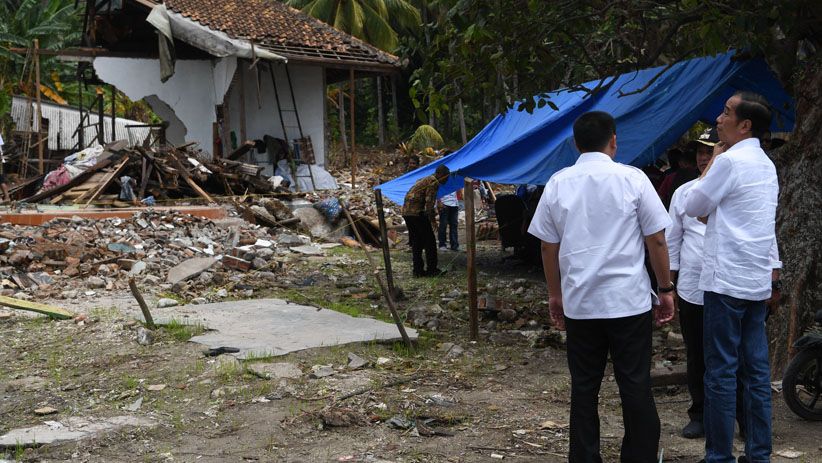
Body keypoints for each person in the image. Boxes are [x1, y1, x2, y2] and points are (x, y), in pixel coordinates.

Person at [528, 111, 675, 463]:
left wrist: (555, 295)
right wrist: (666, 287)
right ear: (613, 140)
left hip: (581, 303)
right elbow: (656, 239)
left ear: (576, 144)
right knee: (635, 385)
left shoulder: (559, 183)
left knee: (584, 387)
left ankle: (584, 458)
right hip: (628, 301)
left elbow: (548, 246)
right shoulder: (633, 179)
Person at [684, 91, 781, 463]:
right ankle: (759, 454)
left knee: (721, 372)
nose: (718, 119)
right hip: (755, 279)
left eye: (726, 113)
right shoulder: (766, 165)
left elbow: (694, 206)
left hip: (725, 279)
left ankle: (719, 456)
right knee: (755, 372)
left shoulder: (730, 162)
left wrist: (713, 163)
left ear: (745, 125)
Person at [667, 128, 755, 440]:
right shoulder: (684, 194)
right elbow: (672, 242)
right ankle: (701, 414)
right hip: (694, 287)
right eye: (701, 154)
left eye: (711, 152)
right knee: (698, 355)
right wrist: (669, 287)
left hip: (732, 285)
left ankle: (745, 420)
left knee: (741, 355)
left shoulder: (740, 187)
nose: (705, 158)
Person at [402, 164, 450, 277]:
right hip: (416, 213)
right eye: (446, 177)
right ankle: (432, 270)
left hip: (407, 212)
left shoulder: (426, 179)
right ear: (440, 174)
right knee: (430, 242)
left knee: (417, 242)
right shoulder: (433, 182)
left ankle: (417, 271)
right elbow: (429, 203)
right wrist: (433, 221)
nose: (447, 180)